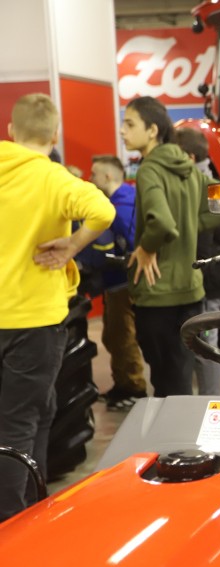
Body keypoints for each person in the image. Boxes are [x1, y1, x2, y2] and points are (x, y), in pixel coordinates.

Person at [0, 93, 115, 520]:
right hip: (35, 321)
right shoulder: (53, 179)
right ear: (54, 135)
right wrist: (72, 246)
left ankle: (33, 502)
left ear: (11, 131)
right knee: (19, 425)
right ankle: (15, 524)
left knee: (41, 410)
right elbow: (102, 211)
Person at [121, 96, 220, 398]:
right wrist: (191, 226)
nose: (122, 131)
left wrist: (146, 247)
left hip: (158, 297)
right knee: (180, 379)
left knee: (169, 388)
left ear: (153, 130)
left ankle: (173, 445)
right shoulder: (189, 168)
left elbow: (162, 224)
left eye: (129, 124)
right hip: (192, 293)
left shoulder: (149, 170)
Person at [88, 154, 148, 408]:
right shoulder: (118, 201)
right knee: (113, 336)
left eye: (94, 174)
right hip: (115, 282)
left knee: (122, 336)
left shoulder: (122, 205)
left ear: (108, 176)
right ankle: (122, 384)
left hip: (124, 283)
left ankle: (134, 388)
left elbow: (135, 243)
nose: (90, 179)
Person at [175, 127, 220, 396]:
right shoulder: (214, 182)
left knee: (205, 349)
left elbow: (203, 241)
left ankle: (212, 407)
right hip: (210, 277)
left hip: (206, 279)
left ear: (190, 157)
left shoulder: (205, 188)